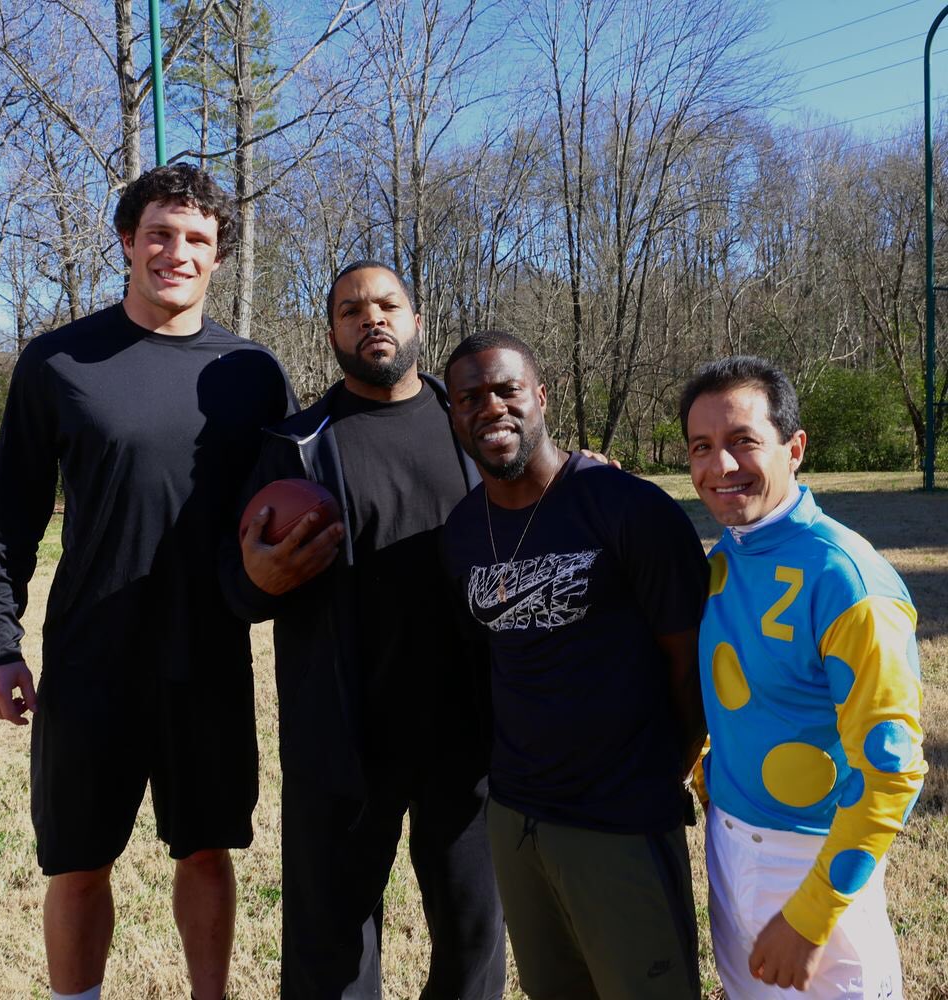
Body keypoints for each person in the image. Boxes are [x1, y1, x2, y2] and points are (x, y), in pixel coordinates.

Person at [0, 164, 296, 1000]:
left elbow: (306, 495)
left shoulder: (251, 372)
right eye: (159, 233)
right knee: (78, 863)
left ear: (218, 257)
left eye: (196, 239)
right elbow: (7, 515)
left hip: (210, 658)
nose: (176, 252)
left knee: (207, 850)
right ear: (126, 240)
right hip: (91, 659)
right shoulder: (58, 362)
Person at [221, 261, 506, 999]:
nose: (370, 318)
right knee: (330, 953)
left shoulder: (475, 428)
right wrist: (256, 580)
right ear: (332, 334)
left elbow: (548, 515)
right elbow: (236, 590)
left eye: (387, 305)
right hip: (343, 740)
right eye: (351, 310)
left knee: (474, 939)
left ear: (415, 321)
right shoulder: (294, 448)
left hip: (469, 733)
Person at [439, 330, 708, 999]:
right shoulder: (464, 530)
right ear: (453, 415)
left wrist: (651, 779)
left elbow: (689, 665)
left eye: (506, 390)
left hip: (619, 823)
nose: (490, 408)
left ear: (541, 396)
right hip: (517, 818)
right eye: (469, 397)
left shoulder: (629, 508)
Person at [679, 355, 927, 997]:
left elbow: (893, 771)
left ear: (795, 448)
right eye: (702, 447)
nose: (720, 467)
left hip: (811, 859)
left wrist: (812, 917)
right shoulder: (725, 556)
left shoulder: (849, 579)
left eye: (743, 442)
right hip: (728, 843)